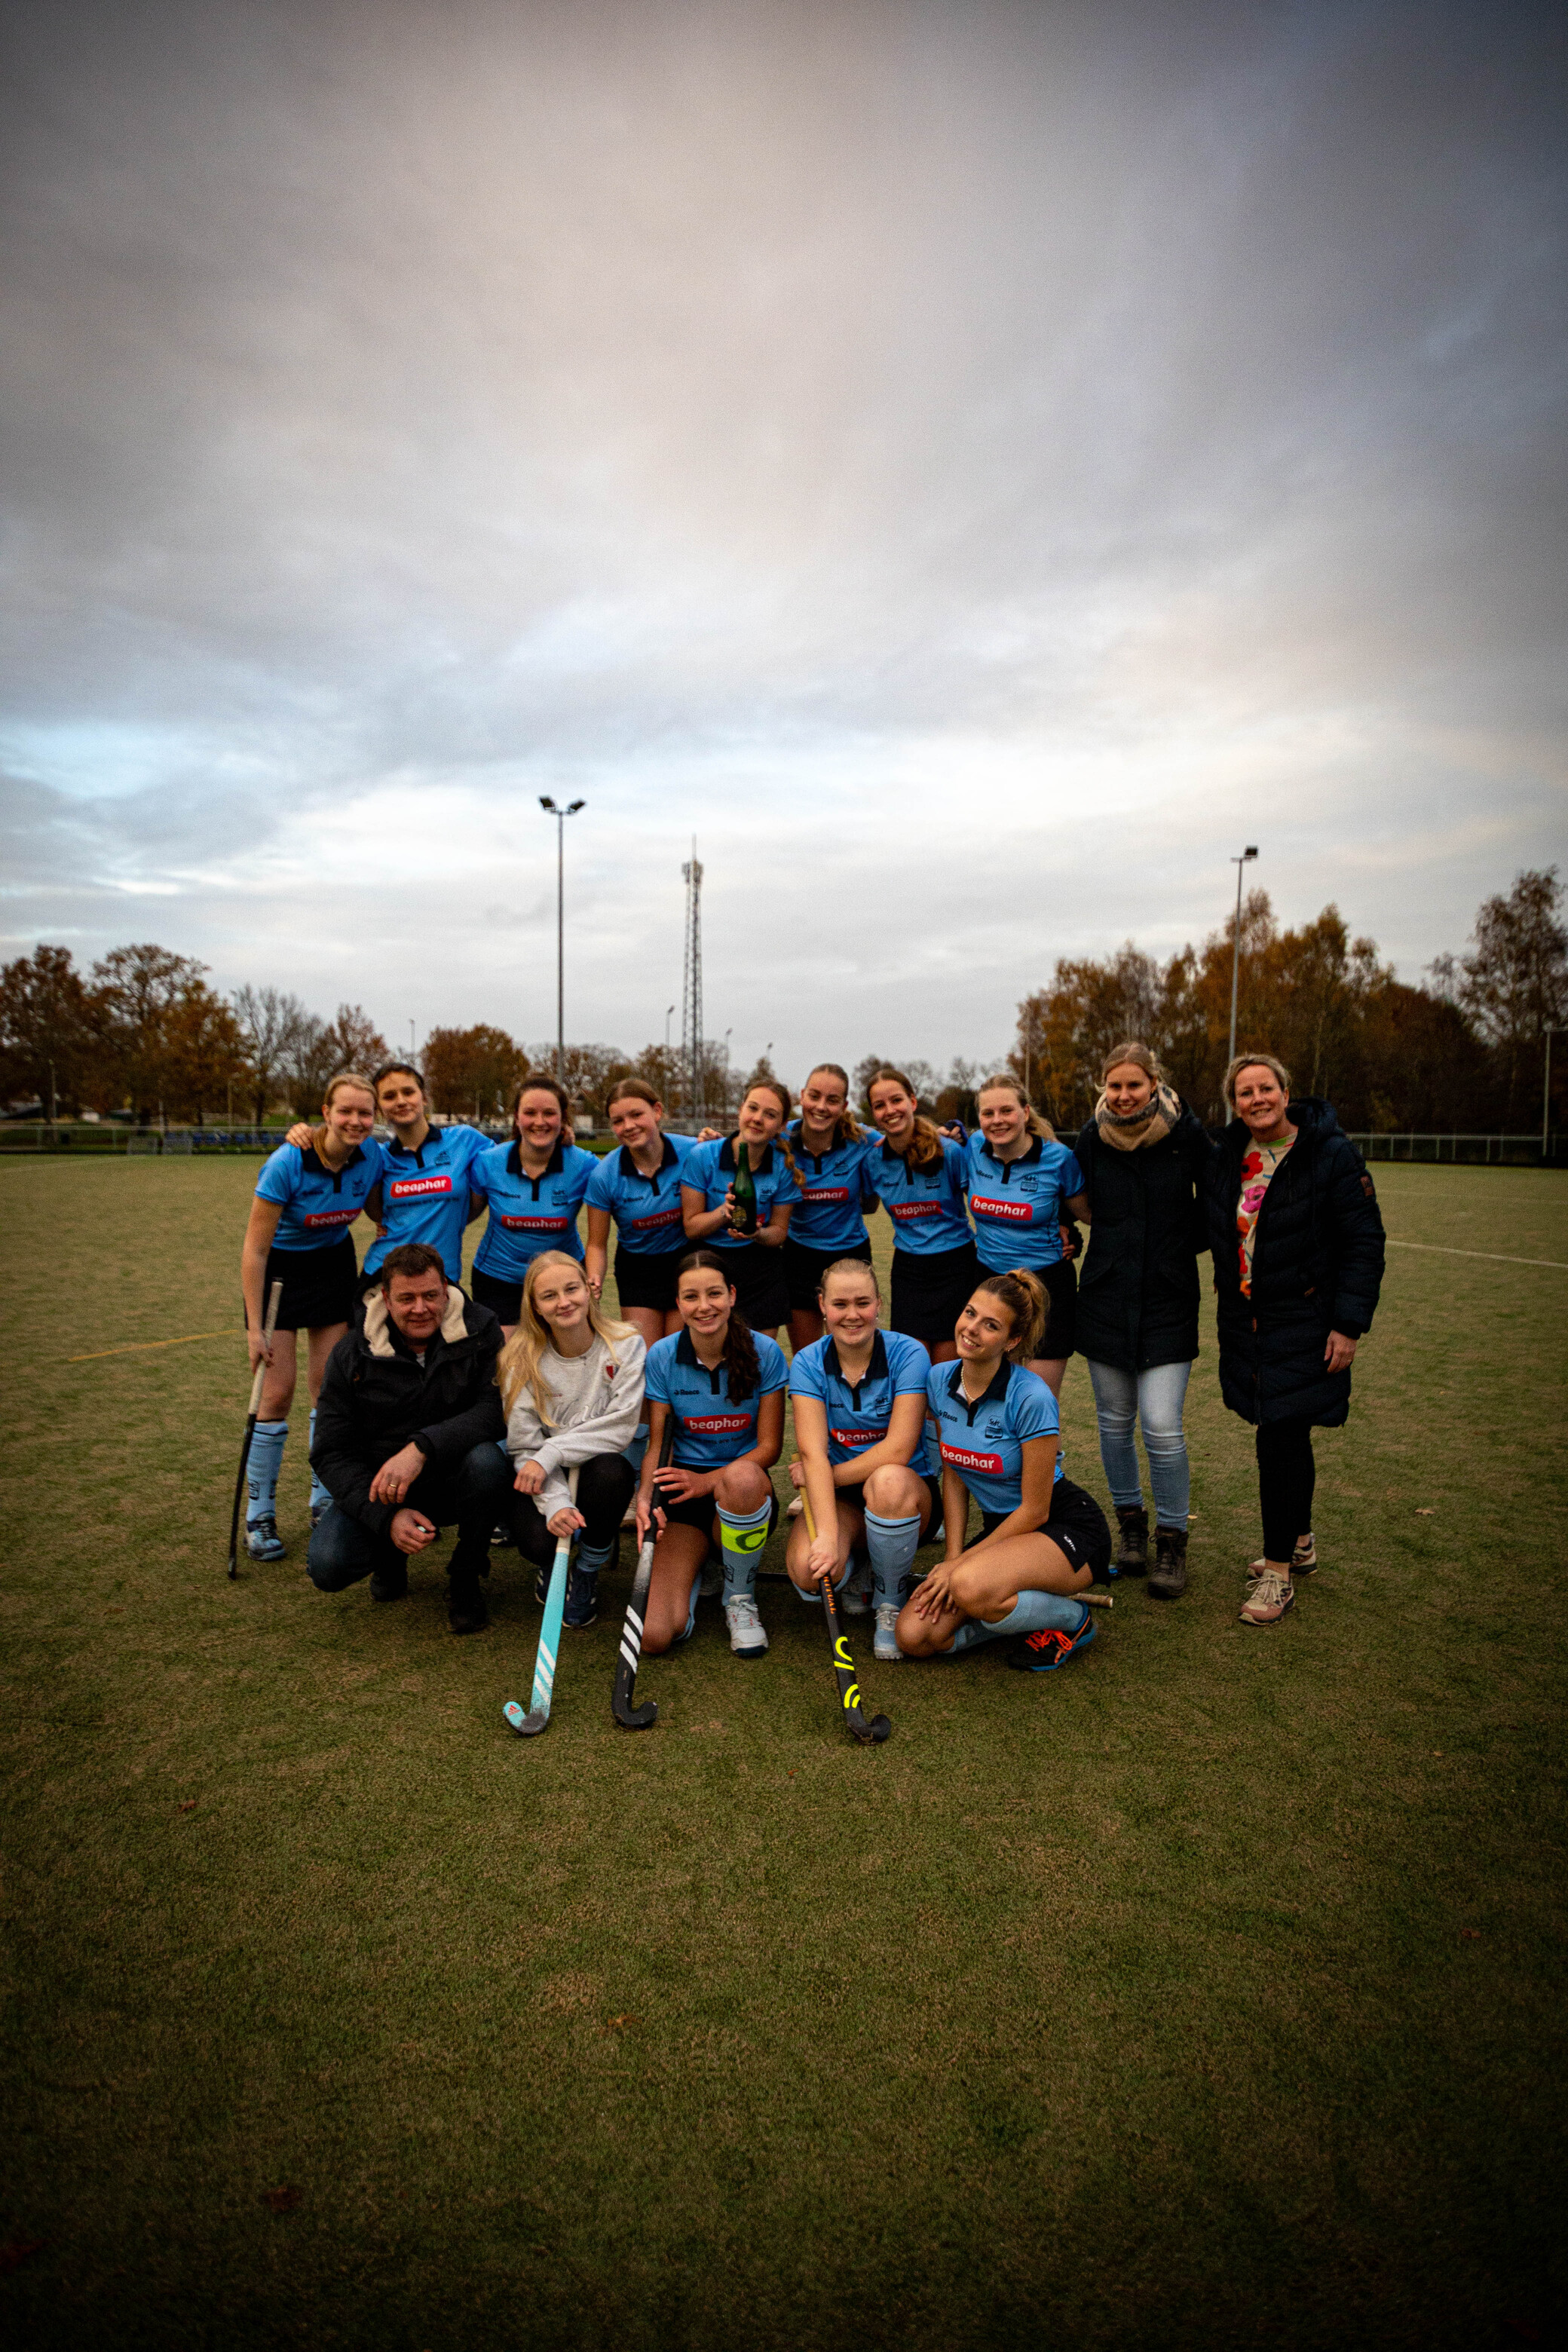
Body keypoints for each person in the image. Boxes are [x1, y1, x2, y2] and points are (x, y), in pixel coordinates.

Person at [1202, 1052, 1386, 1627]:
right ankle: (1300, 1540)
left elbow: (1363, 1241)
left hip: (1305, 1322)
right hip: (1247, 1323)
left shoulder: (1329, 1153)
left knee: (1279, 1438)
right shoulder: (1229, 1154)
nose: (1256, 1100)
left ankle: (1278, 1573)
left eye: (1266, 1089)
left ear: (1286, 1092)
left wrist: (1348, 1324)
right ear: (1234, 1103)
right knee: (1281, 1429)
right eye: (1244, 1092)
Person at [898, 1269, 1111, 1670]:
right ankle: (1006, 1612)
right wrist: (953, 1555)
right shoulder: (939, 1379)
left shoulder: (1031, 1397)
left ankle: (1074, 1620)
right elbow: (955, 1474)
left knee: (967, 1585)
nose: (972, 1329)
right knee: (916, 1635)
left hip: (1062, 1527)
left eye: (991, 1325)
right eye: (970, 1313)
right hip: (1003, 1531)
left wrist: (958, 1569)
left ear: (1012, 1341)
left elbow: (1035, 1510)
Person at [306, 1242, 513, 1634]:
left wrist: (422, 1447)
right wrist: (386, 1518)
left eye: (431, 1295)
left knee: (488, 1461)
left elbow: (495, 1411)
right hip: (381, 1488)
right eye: (407, 1298)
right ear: (385, 1298)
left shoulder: (481, 1327)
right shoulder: (351, 1351)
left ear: (447, 1289)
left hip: (455, 1477)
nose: (421, 1308)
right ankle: (389, 1556)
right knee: (328, 1565)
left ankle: (465, 1577)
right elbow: (331, 1452)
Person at [1071, 1041, 1211, 1600]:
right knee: (1113, 1420)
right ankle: (1130, 1527)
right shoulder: (1090, 1137)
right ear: (1104, 1088)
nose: (1124, 1095)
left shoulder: (1187, 1134)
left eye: (1134, 1084)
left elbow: (1217, 1198)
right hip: (1105, 1295)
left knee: (1160, 1423)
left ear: (1154, 1084)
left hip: (1169, 1298)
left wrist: (1180, 1246)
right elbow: (1074, 1199)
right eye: (1115, 1086)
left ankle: (1172, 1538)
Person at [239, 1070, 383, 1560]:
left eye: (365, 1112)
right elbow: (255, 1251)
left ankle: (326, 1499)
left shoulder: (373, 1157)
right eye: (346, 1110)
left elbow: (383, 1203)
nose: (356, 1120)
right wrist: (255, 1327)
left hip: (333, 1267)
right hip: (280, 1273)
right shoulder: (287, 1163)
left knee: (329, 1388)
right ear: (326, 1113)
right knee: (276, 1393)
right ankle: (259, 1514)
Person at [635, 1250, 789, 1660]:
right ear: (678, 1303)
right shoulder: (663, 1356)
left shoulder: (766, 1352)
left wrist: (709, 1480)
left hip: (743, 1494)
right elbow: (657, 1447)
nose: (704, 1307)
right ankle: (699, 1567)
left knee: (741, 1479)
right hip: (683, 1499)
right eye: (691, 1297)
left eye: (714, 1294)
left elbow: (770, 1448)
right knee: (653, 1637)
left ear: (733, 1295)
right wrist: (645, 1500)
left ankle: (739, 1597)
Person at [786, 1257, 939, 1664]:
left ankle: (889, 1601)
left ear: (879, 1304)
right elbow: (812, 1452)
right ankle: (859, 1570)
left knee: (887, 1479)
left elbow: (899, 1449)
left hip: (906, 1492)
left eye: (862, 1303)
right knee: (810, 1572)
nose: (852, 1315)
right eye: (840, 1304)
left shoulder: (909, 1354)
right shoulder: (806, 1362)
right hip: (842, 1495)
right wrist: (826, 1538)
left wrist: (826, 1479)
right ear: (822, 1306)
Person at [499, 1251, 645, 1631]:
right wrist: (556, 1505)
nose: (564, 1302)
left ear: (589, 1290)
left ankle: (588, 1568)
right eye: (549, 1296)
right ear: (535, 1307)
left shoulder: (626, 1344)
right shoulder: (520, 1359)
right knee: (539, 1544)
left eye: (572, 1289)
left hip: (598, 1465)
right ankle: (554, 1565)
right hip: (542, 1477)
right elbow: (524, 1448)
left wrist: (553, 1450)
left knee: (614, 1471)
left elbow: (621, 1426)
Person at [285, 1059, 491, 1291]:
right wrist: (304, 1132)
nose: (401, 1101)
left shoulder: (465, 1140)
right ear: (379, 1109)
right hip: (382, 1276)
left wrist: (458, 1216)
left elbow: (507, 1162)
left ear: (424, 1097)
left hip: (444, 1276)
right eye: (389, 1096)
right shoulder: (375, 1156)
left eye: (408, 1092)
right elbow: (335, 1145)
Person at [965, 1076, 1089, 1394]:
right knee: (990, 1401)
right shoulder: (973, 1148)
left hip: (1048, 1287)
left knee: (1037, 1402)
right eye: (988, 1113)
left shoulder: (1059, 1159)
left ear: (1026, 1112)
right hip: (989, 1284)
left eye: (1006, 1111)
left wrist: (1068, 1228)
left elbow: (1087, 1213)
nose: (997, 1121)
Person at [468, 1076, 599, 1332]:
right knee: (508, 1367)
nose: (540, 1122)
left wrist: (702, 1149)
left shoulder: (585, 1165)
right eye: (530, 1113)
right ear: (517, 1117)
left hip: (563, 1282)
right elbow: (461, 1215)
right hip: (498, 1279)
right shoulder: (488, 1163)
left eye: (549, 1113)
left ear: (563, 1118)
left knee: (567, 1364)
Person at [864, 1067, 976, 1364]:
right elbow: (866, 1204)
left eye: (896, 1100)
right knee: (912, 1369)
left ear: (913, 1102)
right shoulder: (872, 1160)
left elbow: (980, 1202)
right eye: (879, 1105)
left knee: (947, 1371)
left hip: (956, 1267)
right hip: (909, 1273)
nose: (890, 1111)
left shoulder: (949, 1151)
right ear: (873, 1113)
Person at [679, 1080, 801, 1340]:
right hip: (710, 1267)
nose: (758, 1119)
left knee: (758, 1362)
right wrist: (724, 1211)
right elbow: (691, 1228)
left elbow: (779, 1232)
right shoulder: (703, 1156)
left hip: (761, 1271)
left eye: (770, 1115)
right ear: (740, 1110)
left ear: (781, 1126)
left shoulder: (783, 1167)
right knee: (713, 1358)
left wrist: (757, 1233)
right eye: (753, 1108)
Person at [780, 1063, 881, 1351]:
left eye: (832, 1100)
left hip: (851, 1255)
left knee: (854, 1352)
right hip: (798, 1257)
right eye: (814, 1096)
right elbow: (737, 1146)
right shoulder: (781, 1138)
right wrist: (707, 1140)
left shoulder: (864, 1140)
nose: (821, 1107)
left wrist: (947, 1134)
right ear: (802, 1097)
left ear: (844, 1105)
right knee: (808, 1356)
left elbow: (909, 1141)